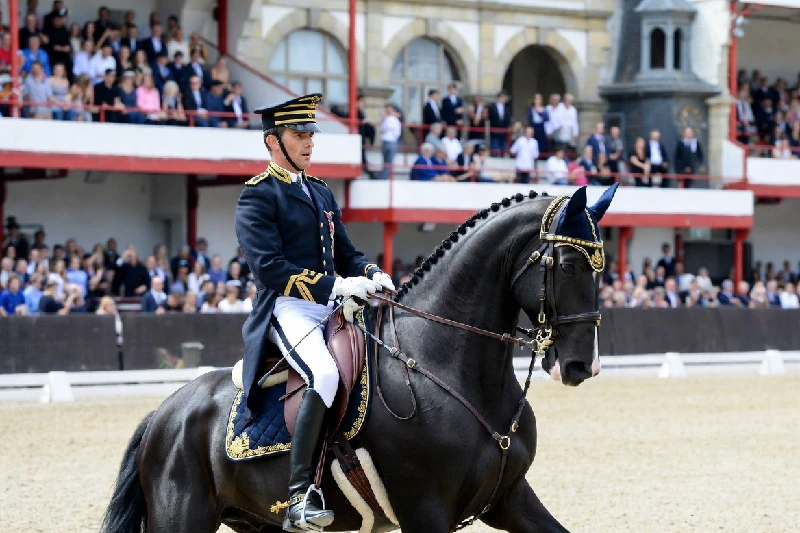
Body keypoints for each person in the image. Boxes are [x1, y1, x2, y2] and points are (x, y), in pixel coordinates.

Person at [234, 93, 395, 532]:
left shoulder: (320, 191)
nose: (308, 143)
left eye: (309, 135)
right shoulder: (257, 198)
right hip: (289, 309)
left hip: (332, 305)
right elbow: (270, 269)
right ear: (273, 141)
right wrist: (337, 285)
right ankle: (300, 494)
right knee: (323, 375)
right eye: (298, 135)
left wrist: (372, 271)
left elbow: (346, 252)